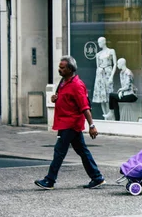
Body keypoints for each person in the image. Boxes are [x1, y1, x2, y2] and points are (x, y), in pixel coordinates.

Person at [34, 56, 105, 190]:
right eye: (59, 67)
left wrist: (92, 126)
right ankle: (97, 177)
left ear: (70, 69)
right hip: (65, 122)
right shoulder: (63, 82)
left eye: (62, 68)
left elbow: (85, 107)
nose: (59, 70)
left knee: (59, 151)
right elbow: (67, 99)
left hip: (70, 123)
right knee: (82, 151)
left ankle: (49, 180)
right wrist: (56, 98)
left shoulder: (77, 85)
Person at [92, 36, 117, 118]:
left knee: (109, 93)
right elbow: (97, 66)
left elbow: (115, 64)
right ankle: (105, 115)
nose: (99, 44)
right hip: (100, 74)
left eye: (100, 42)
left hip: (108, 73)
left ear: (104, 42)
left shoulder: (111, 51)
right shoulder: (98, 54)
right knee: (102, 96)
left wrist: (111, 76)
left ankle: (111, 113)